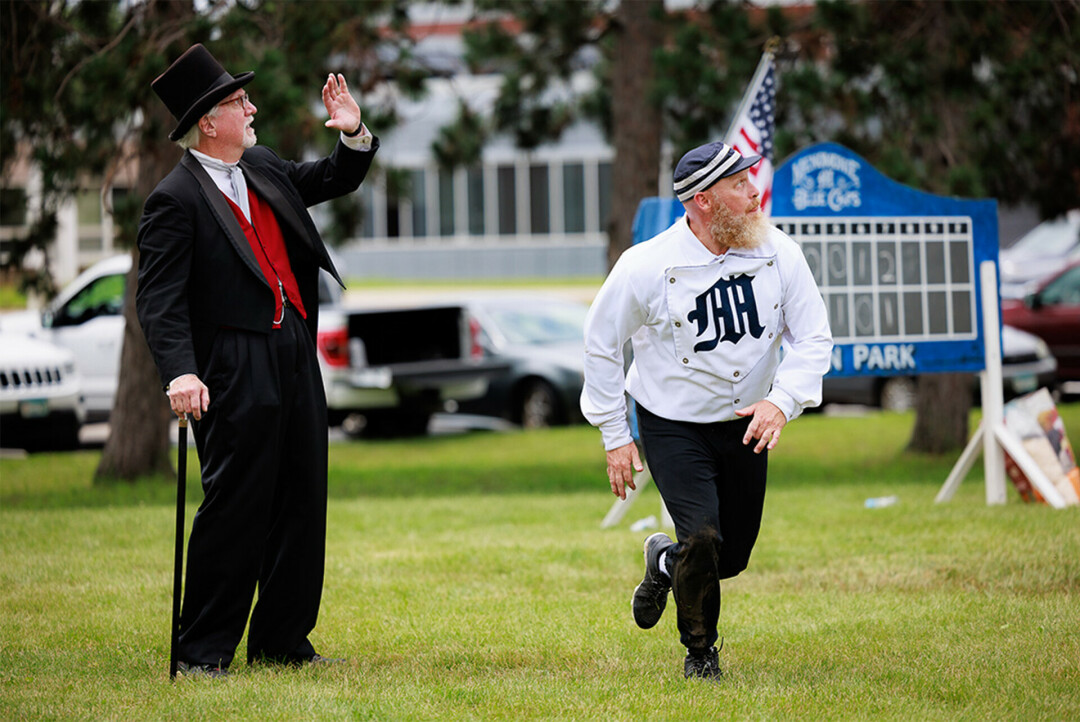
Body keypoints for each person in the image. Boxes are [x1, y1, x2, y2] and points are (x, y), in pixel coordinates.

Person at [136, 43, 378, 676]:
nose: (252, 108)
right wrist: (180, 371)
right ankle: (203, 650)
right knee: (237, 504)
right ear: (208, 122)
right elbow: (158, 301)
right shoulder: (174, 199)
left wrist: (352, 131)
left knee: (303, 497)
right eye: (238, 102)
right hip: (232, 362)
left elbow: (334, 177)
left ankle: (282, 644)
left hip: (294, 346)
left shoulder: (264, 166)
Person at [580, 141, 832, 680]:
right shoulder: (645, 265)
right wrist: (614, 433)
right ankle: (700, 653)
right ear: (701, 200)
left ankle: (665, 562)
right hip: (672, 424)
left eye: (749, 180)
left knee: (730, 557)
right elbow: (601, 343)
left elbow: (813, 338)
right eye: (739, 185)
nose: (753, 193)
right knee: (703, 539)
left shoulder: (780, 253)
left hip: (746, 423)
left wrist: (781, 401)